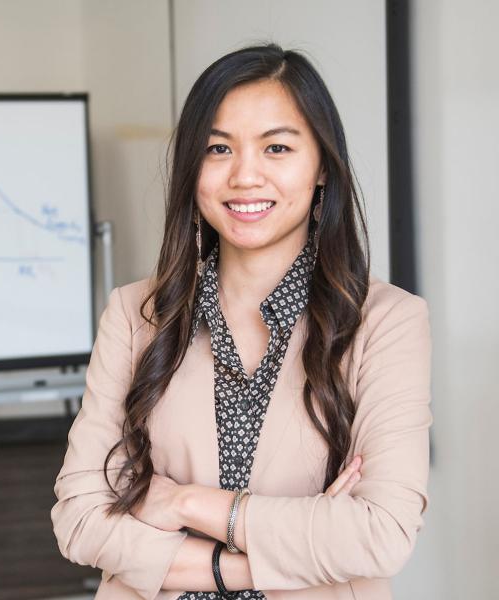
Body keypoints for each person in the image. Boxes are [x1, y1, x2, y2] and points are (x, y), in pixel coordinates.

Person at [50, 44, 432, 599]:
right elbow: (81, 521)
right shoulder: (135, 316)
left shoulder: (388, 323)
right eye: (217, 148)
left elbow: (381, 533)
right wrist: (261, 558)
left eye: (277, 147)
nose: (244, 175)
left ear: (322, 165)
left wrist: (183, 504)